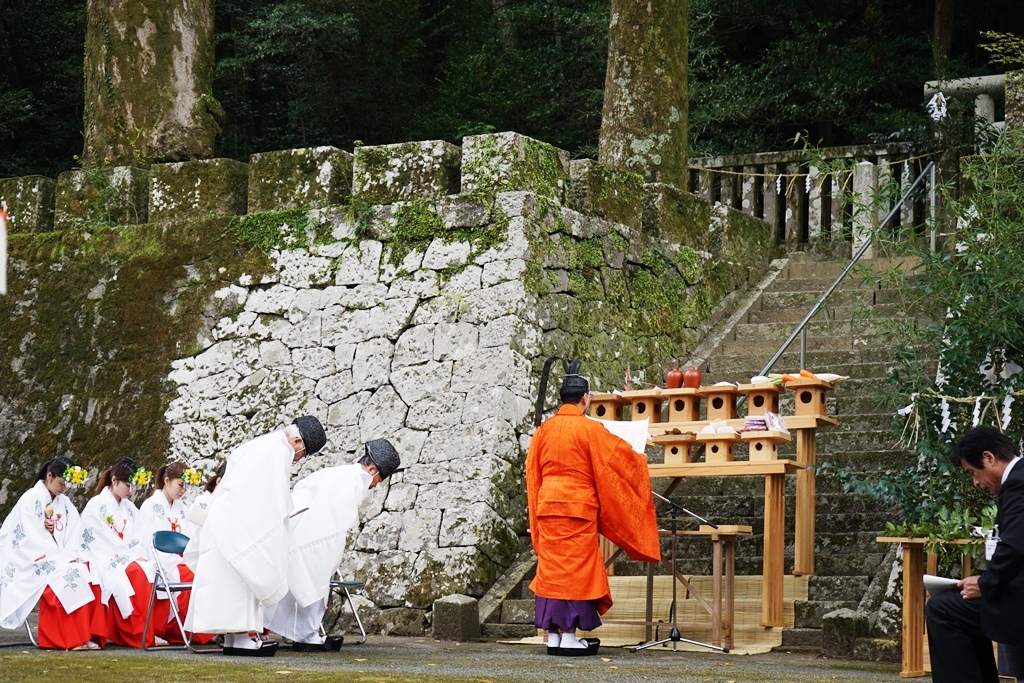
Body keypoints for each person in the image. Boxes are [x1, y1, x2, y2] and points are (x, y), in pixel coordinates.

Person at [526, 358, 660, 657]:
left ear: (562, 399)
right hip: (577, 509)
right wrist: (640, 454)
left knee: (551, 569)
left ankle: (552, 636)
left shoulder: (544, 431)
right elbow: (617, 455)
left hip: (548, 506)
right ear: (585, 399)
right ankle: (570, 635)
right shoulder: (589, 429)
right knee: (576, 571)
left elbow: (532, 474)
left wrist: (535, 510)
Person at [186, 415, 327, 657]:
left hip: (223, 519)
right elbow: (273, 496)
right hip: (242, 524)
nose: (297, 459)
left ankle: (233, 638)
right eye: (301, 454)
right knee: (243, 576)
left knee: (228, 579)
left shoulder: (258, 444)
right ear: (297, 440)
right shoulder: (278, 450)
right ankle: (241, 639)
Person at [264, 439, 400, 651]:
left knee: (307, 584)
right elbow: (336, 521)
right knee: (313, 583)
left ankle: (307, 633)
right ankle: (306, 635)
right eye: (378, 480)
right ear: (372, 469)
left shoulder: (338, 473)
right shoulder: (355, 479)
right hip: (314, 536)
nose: (374, 486)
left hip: (298, 530)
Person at [926, 426, 1024, 682]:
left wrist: (985, 583)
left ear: (989, 457)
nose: (976, 483)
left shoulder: (1019, 484)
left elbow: (1015, 545)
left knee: (944, 609)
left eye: (973, 472)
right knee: (954, 607)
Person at [0, 456, 104, 650]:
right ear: (49, 476)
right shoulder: (30, 499)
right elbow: (29, 536)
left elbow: (75, 531)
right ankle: (68, 637)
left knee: (90, 571)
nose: (63, 489)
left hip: (56, 556)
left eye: (66, 485)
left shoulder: (64, 503)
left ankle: (85, 635)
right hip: (29, 559)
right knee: (71, 575)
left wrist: (70, 554)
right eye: (61, 484)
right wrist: (58, 557)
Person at [78, 457, 162, 648]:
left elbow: (140, 535)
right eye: (127, 485)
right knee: (137, 572)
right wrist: (125, 554)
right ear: (114, 480)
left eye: (132, 486)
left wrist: (132, 553)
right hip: (103, 556)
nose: (130, 490)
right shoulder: (96, 504)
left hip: (125, 555)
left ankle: (146, 631)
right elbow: (95, 537)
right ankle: (135, 633)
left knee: (148, 569)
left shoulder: (130, 508)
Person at [138, 460, 211, 644]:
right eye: (180, 485)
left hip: (179, 558)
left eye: (185, 486)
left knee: (202, 571)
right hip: (159, 557)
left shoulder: (182, 508)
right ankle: (178, 630)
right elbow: (148, 538)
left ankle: (199, 629)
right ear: (167, 481)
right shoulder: (149, 505)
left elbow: (190, 537)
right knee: (189, 574)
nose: (183, 490)